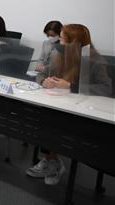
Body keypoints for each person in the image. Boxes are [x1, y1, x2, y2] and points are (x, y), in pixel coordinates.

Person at [27, 24, 112, 185]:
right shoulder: (59, 54)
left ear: (74, 42)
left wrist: (70, 86)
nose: (59, 41)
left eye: (63, 38)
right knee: (44, 117)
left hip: (83, 108)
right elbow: (42, 74)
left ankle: (53, 162)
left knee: (55, 122)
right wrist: (44, 81)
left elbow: (105, 89)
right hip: (58, 102)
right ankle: (52, 160)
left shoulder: (94, 60)